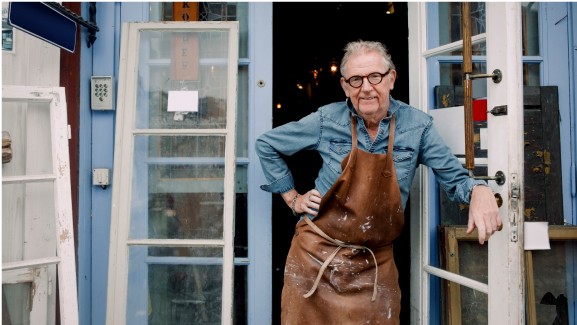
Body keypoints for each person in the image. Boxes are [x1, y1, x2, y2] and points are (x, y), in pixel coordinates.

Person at [255, 40, 501, 324]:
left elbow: (455, 181)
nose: (366, 88)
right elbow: (267, 145)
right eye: (356, 80)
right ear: (345, 86)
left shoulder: (418, 127)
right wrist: (292, 197)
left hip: (375, 264)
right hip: (315, 256)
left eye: (375, 76)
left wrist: (480, 190)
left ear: (391, 78)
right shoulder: (326, 120)